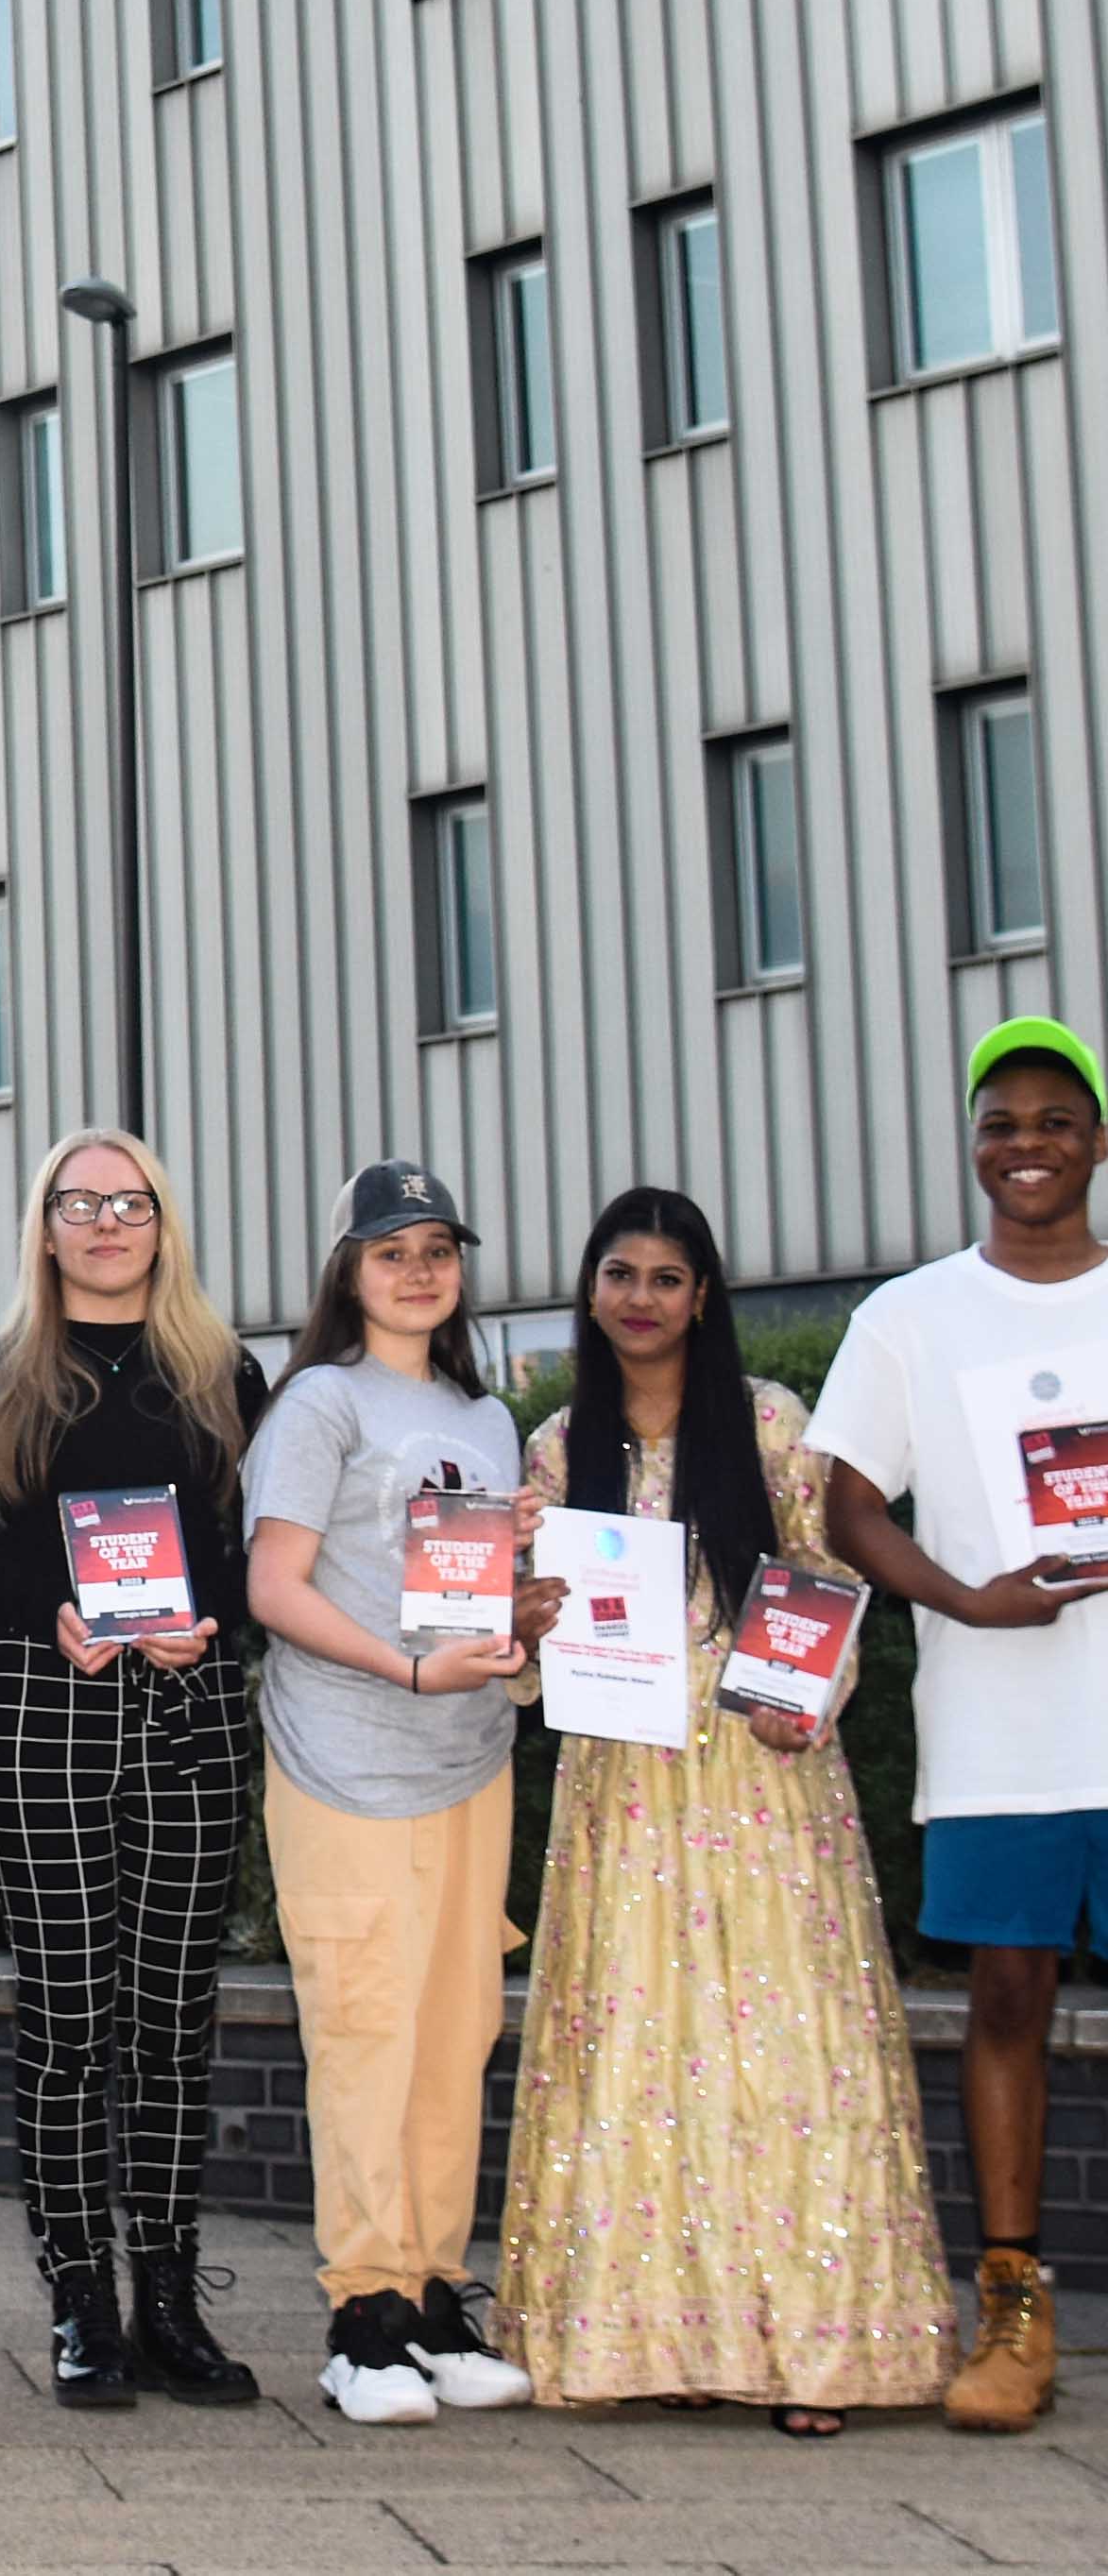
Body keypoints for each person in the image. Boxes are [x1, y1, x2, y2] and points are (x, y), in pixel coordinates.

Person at [498, 1187, 950, 2428]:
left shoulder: (768, 1423)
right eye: (620, 1272)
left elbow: (827, 1577)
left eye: (667, 1275)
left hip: (761, 1777)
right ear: (590, 1289)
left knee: (782, 2057)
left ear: (704, 1296)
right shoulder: (552, 1449)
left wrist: (806, 1691)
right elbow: (525, 1657)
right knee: (637, 2051)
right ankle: (656, 2340)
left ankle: (813, 2351)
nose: (641, 1296)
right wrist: (523, 1624)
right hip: (623, 1792)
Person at [0, 1129, 269, 2412]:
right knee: (66, 2023)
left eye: (131, 1202)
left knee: (175, 2022)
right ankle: (80, 2297)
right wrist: (58, 1606)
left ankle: (169, 2296)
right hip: (43, 1710)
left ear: (162, 1223)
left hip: (192, 1712)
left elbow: (255, 1551)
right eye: (82, 1202)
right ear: (47, 1225)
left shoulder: (226, 1373)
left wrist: (213, 1615)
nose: (108, 1222)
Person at [808, 1018, 1108, 2432]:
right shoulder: (912, 1314)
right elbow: (845, 1500)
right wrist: (961, 1598)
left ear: (1097, 1141)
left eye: (1056, 1118)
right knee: (1005, 1996)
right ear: (974, 1145)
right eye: (1002, 1122)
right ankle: (1012, 2300)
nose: (1028, 1144)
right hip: (1004, 1722)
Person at [239, 1160, 561, 2430]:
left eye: (437, 1245)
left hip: (468, 1762)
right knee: (368, 2030)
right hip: (347, 1763)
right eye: (391, 1249)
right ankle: (359, 2315)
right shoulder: (319, 1401)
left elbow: (465, 1598)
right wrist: (408, 1666)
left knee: (454, 2029)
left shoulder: (487, 1419)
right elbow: (276, 1585)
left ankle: (431, 2295)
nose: (419, 1267)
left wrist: (521, 1611)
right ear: (348, 1272)